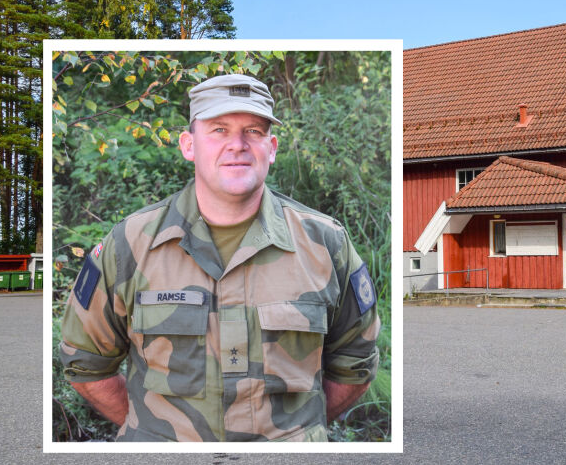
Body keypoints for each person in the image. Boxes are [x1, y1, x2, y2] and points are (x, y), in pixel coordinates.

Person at [59, 73, 380, 442]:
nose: (238, 145)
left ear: (272, 148)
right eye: (219, 130)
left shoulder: (326, 244)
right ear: (188, 145)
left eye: (254, 132)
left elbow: (355, 364)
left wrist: (296, 434)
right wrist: (151, 433)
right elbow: (86, 364)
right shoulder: (129, 244)